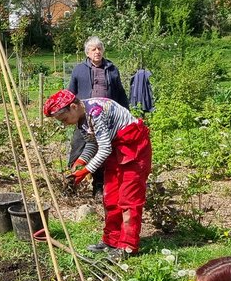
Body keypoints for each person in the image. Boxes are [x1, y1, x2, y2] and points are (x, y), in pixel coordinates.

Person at [42, 89, 151, 256]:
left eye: (64, 119)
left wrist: (85, 171)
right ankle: (111, 241)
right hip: (116, 148)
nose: (64, 124)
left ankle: (128, 246)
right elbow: (94, 143)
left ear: (73, 106)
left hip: (134, 147)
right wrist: (81, 161)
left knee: (129, 198)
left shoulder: (96, 112)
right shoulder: (81, 119)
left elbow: (105, 148)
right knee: (111, 197)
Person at [67, 36, 129, 197]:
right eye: (93, 49)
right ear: (87, 53)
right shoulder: (79, 70)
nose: (97, 51)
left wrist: (126, 111)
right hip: (83, 116)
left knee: (103, 150)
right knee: (78, 147)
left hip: (105, 118)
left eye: (99, 48)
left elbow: (120, 92)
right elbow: (70, 93)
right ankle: (71, 183)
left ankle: (98, 186)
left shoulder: (111, 69)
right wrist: (69, 113)